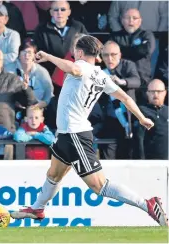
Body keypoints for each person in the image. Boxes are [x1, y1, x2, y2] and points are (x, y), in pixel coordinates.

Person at [10, 35, 168, 227]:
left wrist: (49, 57)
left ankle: (148, 204)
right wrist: (142, 118)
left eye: (75, 51)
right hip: (67, 134)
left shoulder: (82, 67)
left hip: (75, 134)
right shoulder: (101, 75)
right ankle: (37, 208)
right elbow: (126, 98)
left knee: (99, 186)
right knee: (54, 174)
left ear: (79, 52)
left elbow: (74, 68)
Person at [6, 39, 54, 109]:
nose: (26, 55)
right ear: (19, 54)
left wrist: (42, 104)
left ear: (34, 55)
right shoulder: (9, 69)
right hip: (13, 107)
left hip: (37, 109)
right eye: (24, 52)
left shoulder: (42, 72)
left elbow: (49, 93)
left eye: (29, 52)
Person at [133, 79, 168, 160]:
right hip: (150, 162)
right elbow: (139, 138)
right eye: (152, 91)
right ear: (147, 93)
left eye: (159, 91)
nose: (155, 95)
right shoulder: (141, 112)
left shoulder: (167, 111)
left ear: (165, 92)